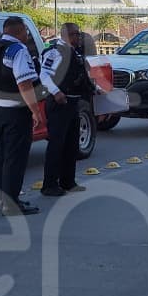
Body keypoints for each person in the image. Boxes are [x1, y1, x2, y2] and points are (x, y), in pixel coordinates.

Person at [0, 16, 44, 216]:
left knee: (3, 157)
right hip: (15, 113)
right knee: (15, 159)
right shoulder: (18, 50)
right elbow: (24, 84)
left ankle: (2, 200)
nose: (27, 35)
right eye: (25, 31)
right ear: (19, 31)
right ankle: (12, 203)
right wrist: (35, 111)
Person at [39, 23, 96, 197]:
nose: (79, 38)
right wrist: (56, 93)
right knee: (57, 144)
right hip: (59, 104)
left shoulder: (74, 52)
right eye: (77, 34)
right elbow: (44, 75)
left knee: (71, 144)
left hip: (73, 103)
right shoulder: (55, 51)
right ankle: (49, 184)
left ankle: (68, 182)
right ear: (69, 35)